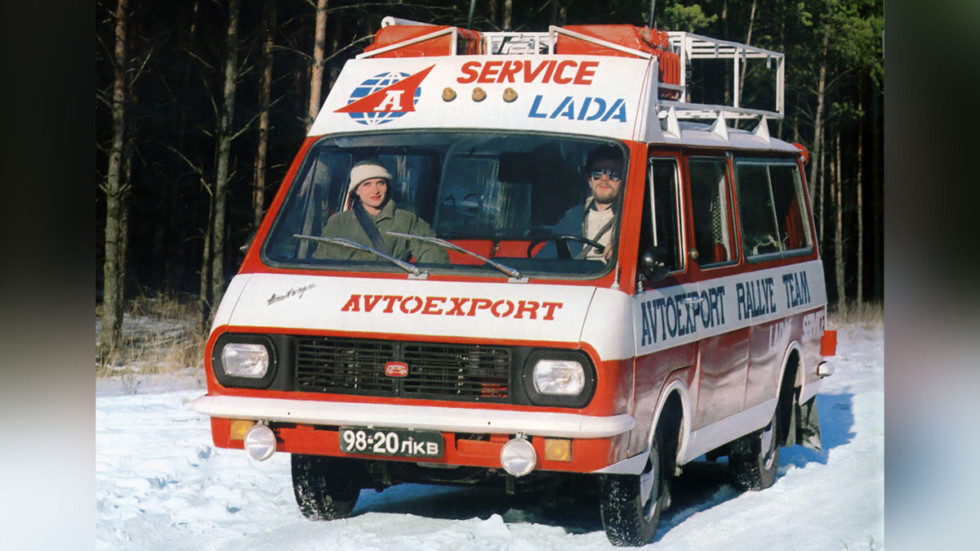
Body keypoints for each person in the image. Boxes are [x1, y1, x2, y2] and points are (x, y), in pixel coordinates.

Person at [314, 160, 449, 264]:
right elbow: (323, 263)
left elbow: (434, 258)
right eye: (367, 184)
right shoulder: (339, 222)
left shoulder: (408, 221)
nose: (375, 191)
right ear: (356, 190)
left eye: (380, 183)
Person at [543, 145, 624, 262]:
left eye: (614, 174)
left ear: (624, 180)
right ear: (590, 181)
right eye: (597, 173)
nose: (604, 179)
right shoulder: (570, 218)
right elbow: (544, 261)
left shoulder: (632, 220)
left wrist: (622, 256)